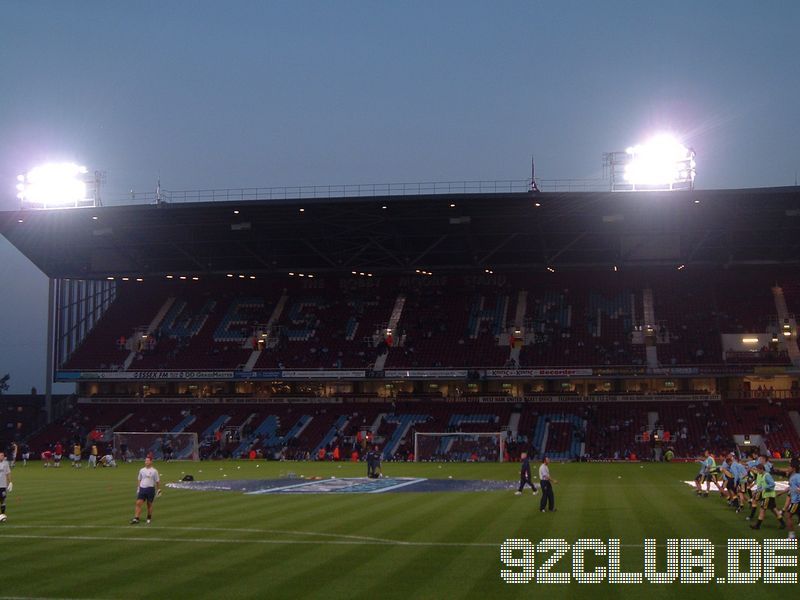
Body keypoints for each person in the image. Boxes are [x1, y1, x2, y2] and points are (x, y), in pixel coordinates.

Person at [750, 463, 783, 530]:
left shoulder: (767, 475)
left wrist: (765, 488)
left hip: (768, 496)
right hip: (768, 495)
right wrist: (756, 491)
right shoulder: (762, 475)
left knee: (762, 509)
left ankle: (757, 526)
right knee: (774, 509)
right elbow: (761, 486)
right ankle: (783, 523)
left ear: (761, 469)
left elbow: (772, 484)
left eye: (758, 470)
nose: (757, 472)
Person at [130, 456, 161, 525]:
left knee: (149, 504)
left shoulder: (154, 471)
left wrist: (159, 489)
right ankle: (136, 518)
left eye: (147, 461)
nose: (146, 462)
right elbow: (139, 479)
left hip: (150, 489)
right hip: (142, 488)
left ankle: (149, 518)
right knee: (138, 503)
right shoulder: (142, 470)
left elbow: (157, 481)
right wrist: (138, 488)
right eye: (145, 461)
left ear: (151, 462)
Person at [782, 458, 800, 540]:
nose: (788, 468)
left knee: (788, 515)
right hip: (795, 500)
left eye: (789, 467)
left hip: (796, 501)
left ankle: (792, 536)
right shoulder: (792, 477)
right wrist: (781, 493)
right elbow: (791, 486)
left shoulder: (797, 477)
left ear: (794, 468)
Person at [0, 451, 11, 521]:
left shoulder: (6, 463)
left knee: (2, 500)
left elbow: (8, 473)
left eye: (2, 455)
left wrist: (10, 482)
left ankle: (3, 515)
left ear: (4, 456)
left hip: (3, 485)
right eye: (0, 455)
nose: (1, 456)